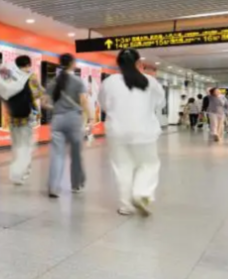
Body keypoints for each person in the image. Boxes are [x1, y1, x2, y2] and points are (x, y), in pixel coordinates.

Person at [99, 49, 165, 216]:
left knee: (122, 167)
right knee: (148, 164)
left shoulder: (109, 82)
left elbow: (104, 104)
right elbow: (160, 103)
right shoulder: (149, 81)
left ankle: (126, 206)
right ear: (139, 63)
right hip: (145, 131)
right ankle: (141, 193)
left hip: (117, 131)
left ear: (118, 64)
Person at [44, 54, 89, 198]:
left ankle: (53, 187)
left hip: (57, 119)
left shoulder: (53, 81)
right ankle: (76, 184)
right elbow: (84, 102)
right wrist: (89, 119)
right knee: (75, 155)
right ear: (72, 63)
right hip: (74, 119)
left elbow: (44, 103)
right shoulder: (77, 81)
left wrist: (56, 109)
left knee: (57, 154)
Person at [0, 55, 41, 185]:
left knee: (17, 146)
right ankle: (23, 172)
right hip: (26, 117)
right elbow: (38, 94)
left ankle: (17, 173)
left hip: (13, 118)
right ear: (28, 65)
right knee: (25, 146)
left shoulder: (10, 77)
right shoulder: (31, 77)